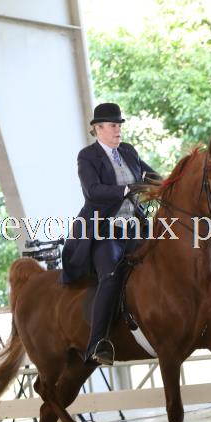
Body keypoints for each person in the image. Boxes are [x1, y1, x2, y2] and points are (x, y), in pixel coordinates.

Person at [60, 102, 157, 366]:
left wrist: (170, 184)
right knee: (111, 275)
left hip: (134, 228)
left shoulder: (128, 151)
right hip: (105, 230)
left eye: (119, 125)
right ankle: (97, 343)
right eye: (113, 126)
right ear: (98, 128)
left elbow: (152, 176)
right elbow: (92, 191)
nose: (118, 130)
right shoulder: (87, 157)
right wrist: (125, 190)